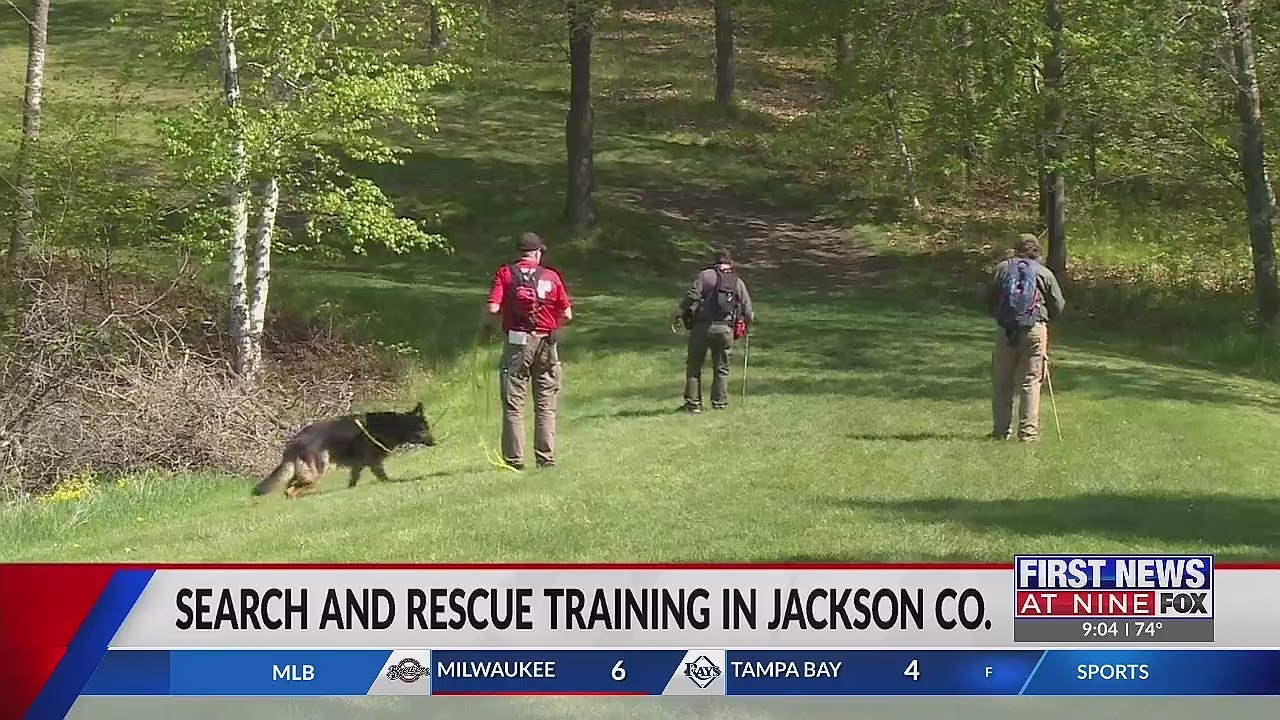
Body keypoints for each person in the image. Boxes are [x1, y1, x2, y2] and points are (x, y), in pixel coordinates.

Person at [481, 232, 573, 469]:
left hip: (516, 344)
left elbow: (492, 308)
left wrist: (486, 331)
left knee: (514, 404)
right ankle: (546, 459)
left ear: (520, 253)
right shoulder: (551, 276)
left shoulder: (505, 274)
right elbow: (568, 314)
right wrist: (553, 328)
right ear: (537, 253)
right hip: (546, 344)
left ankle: (514, 460)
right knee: (545, 404)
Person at [987, 233, 1066, 442]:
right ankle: (1028, 434)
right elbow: (1058, 304)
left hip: (1006, 330)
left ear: (1016, 249)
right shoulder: (1044, 273)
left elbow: (989, 297)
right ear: (1037, 252)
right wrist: (1045, 320)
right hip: (1035, 329)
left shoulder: (1003, 269)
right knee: (1030, 381)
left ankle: (1000, 431)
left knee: (1003, 382)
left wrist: (1001, 316)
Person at [671, 249, 754, 413]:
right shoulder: (737, 281)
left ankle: (693, 404)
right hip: (725, 329)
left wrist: (678, 313)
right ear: (731, 263)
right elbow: (748, 310)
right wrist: (746, 323)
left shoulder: (706, 275)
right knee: (722, 367)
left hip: (702, 327)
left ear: (714, 262)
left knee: (694, 365)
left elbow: (693, 296)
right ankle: (720, 403)